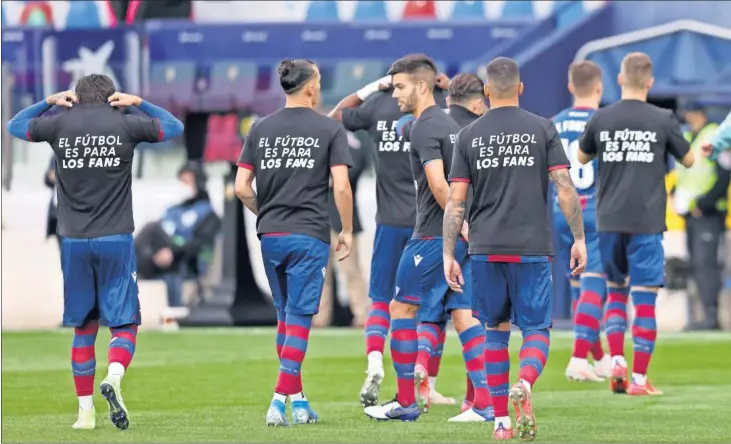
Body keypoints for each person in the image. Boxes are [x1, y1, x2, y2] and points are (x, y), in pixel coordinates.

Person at [6, 74, 184, 430]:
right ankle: (114, 377)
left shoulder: (59, 125)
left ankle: (85, 413)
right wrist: (137, 102)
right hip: (115, 238)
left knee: (83, 327)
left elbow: (15, 125)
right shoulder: (126, 124)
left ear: (77, 97)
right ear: (110, 98)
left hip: (72, 242)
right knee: (125, 322)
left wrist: (49, 101)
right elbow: (173, 126)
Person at [444, 57, 586, 441]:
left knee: (494, 330)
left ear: (487, 91)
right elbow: (565, 187)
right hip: (532, 248)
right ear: (520, 88)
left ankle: (501, 423)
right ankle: (524, 382)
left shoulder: (470, 135)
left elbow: (456, 201)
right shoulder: (542, 128)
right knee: (536, 330)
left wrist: (447, 254)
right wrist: (579, 239)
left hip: (485, 248)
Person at [363, 54, 491, 424]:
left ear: (422, 86)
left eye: (400, 86)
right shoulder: (451, 124)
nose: (395, 95)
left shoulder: (424, 127)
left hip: (434, 236)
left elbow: (439, 184)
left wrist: (457, 227)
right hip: (460, 234)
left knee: (401, 309)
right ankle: (483, 403)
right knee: (465, 315)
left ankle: (405, 402)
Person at [234, 59, 354, 427]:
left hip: (270, 234)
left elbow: (241, 187)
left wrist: (266, 213)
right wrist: (346, 229)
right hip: (309, 234)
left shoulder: (260, 128)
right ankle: (278, 400)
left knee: (285, 316)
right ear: (310, 88)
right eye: (318, 80)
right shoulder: (328, 129)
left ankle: (300, 403)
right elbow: (341, 186)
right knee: (301, 319)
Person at [328, 65, 454, 407]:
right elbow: (479, 102)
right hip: (427, 225)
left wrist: (372, 86)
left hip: (388, 223)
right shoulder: (441, 110)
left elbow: (335, 116)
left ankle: (374, 362)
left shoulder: (380, 105)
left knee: (383, 300)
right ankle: (423, 378)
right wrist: (450, 84)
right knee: (429, 308)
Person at [577, 52, 695, 396]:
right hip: (646, 220)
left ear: (618, 79)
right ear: (651, 82)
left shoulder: (602, 117)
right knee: (644, 299)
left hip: (608, 219)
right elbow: (687, 159)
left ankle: (617, 360)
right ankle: (640, 380)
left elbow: (582, 156)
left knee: (615, 292)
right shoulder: (663, 118)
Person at [553, 61, 612, 382]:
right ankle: (578, 359)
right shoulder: (605, 121)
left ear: (570, 86)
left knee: (578, 283)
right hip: (595, 209)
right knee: (594, 283)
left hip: (561, 210)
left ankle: (598, 358)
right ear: (599, 87)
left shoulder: (554, 123)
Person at [443, 72, 489, 414]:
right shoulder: (481, 134)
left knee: (423, 313)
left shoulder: (421, 125)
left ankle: (424, 388)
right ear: (477, 103)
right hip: (479, 230)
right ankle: (477, 399)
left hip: (438, 230)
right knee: (472, 313)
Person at [135, 161, 221, 319]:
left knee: (152, 229)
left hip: (185, 261)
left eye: (186, 181)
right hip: (159, 259)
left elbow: (199, 245)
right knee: (150, 229)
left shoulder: (208, 215)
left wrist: (172, 252)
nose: (182, 186)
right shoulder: (173, 210)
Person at [673, 102, 727, 330]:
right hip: (690, 214)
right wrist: (675, 192)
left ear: (701, 114)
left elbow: (724, 175)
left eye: (691, 114)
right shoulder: (687, 137)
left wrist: (704, 204)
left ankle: (711, 317)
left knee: (706, 264)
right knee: (696, 264)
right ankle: (700, 316)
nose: (688, 118)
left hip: (709, 213)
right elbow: (686, 173)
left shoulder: (715, 135)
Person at [317, 131, 369, 328]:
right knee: (320, 273)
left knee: (351, 270)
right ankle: (320, 317)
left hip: (342, 221)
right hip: (319, 219)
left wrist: (331, 176)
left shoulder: (351, 141)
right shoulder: (316, 139)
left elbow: (353, 169)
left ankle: (362, 315)